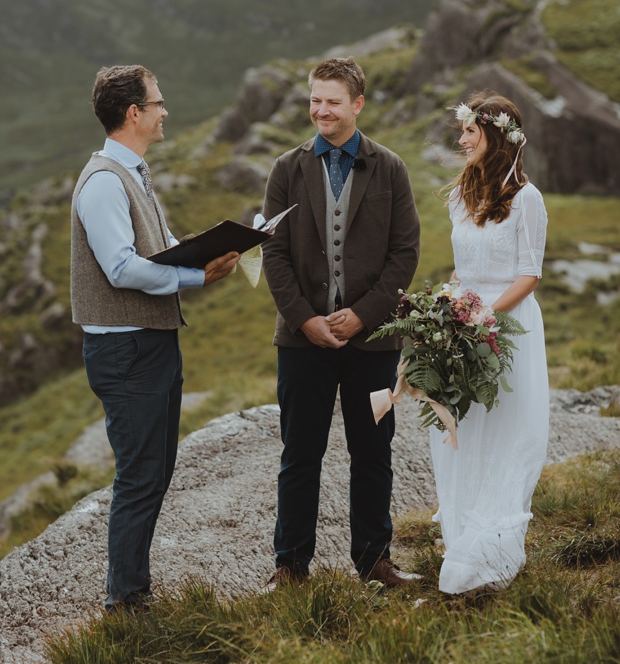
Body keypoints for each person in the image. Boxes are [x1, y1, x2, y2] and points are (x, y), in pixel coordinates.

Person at [70, 65, 239, 612]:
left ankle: (133, 589)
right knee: (141, 476)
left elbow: (158, 247)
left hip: (152, 343)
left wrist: (213, 250)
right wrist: (197, 277)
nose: (166, 111)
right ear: (133, 113)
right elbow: (121, 268)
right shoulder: (101, 183)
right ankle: (126, 603)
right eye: (158, 103)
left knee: (156, 470)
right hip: (127, 350)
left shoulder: (136, 174)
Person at [261, 56, 421, 588]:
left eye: (333, 101)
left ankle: (375, 561)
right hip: (301, 341)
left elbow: (405, 254)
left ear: (357, 104)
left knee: (372, 453)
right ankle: (290, 567)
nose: (321, 111)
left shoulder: (390, 168)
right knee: (299, 455)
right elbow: (274, 256)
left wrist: (366, 315)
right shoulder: (286, 169)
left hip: (373, 342)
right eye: (315, 100)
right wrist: (305, 320)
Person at [430, 90, 549, 594]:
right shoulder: (461, 196)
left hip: (510, 326)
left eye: (470, 133)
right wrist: (447, 302)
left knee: (506, 430)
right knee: (464, 426)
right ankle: (462, 535)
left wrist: (483, 314)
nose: (461, 140)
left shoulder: (527, 199)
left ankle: (494, 543)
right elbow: (464, 267)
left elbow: (529, 274)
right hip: (464, 325)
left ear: (496, 137)